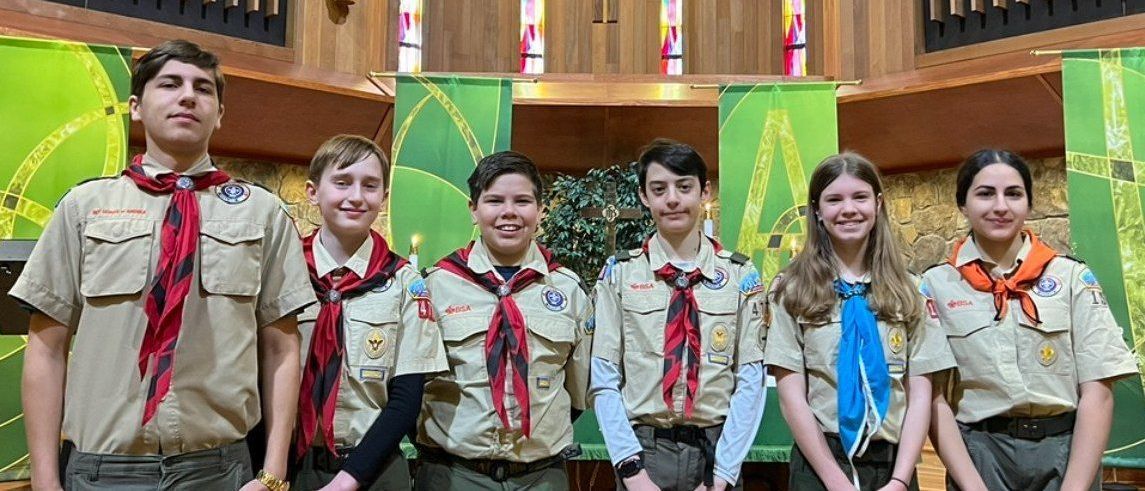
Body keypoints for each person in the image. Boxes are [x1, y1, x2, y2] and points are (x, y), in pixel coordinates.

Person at [13, 39, 313, 491]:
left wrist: (273, 473)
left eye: (204, 89)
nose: (188, 96)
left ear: (220, 113)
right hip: (102, 472)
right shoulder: (84, 208)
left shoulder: (262, 214)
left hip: (218, 470)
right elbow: (46, 348)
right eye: (170, 84)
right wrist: (44, 480)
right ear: (136, 106)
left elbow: (281, 348)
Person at [925, 149, 1138, 491]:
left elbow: (1098, 391)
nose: (1000, 206)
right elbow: (932, 398)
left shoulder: (1071, 278)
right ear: (962, 204)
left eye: (1013, 193)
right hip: (980, 455)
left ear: (1029, 203)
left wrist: (1075, 487)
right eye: (984, 193)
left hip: (1066, 452)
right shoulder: (936, 285)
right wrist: (972, 486)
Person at [763, 152, 954, 490]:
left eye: (860, 197)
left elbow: (919, 394)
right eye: (834, 199)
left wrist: (899, 479)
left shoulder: (910, 290)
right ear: (818, 211)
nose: (848, 209)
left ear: (878, 204)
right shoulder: (791, 290)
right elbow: (792, 397)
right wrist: (835, 481)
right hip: (821, 465)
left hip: (894, 463)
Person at [590, 139, 767, 491]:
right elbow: (604, 376)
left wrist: (723, 474)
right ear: (644, 196)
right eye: (659, 189)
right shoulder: (620, 273)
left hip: (717, 448)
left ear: (704, 191)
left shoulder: (740, 275)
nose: (672, 199)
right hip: (644, 449)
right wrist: (631, 471)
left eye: (684, 187)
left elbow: (751, 379)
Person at [415, 151, 593, 490]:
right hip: (453, 474)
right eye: (494, 200)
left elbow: (577, 391)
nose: (508, 212)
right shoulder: (436, 286)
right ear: (473, 209)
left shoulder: (568, 290)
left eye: (523, 201)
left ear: (541, 210)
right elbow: (413, 385)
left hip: (540, 476)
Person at [292, 135, 448, 490]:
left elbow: (407, 399)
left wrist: (347, 481)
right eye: (342, 182)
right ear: (313, 192)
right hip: (288, 464)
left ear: (384, 198)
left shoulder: (403, 282)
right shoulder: (284, 271)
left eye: (370, 185)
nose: (357, 196)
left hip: (373, 470)